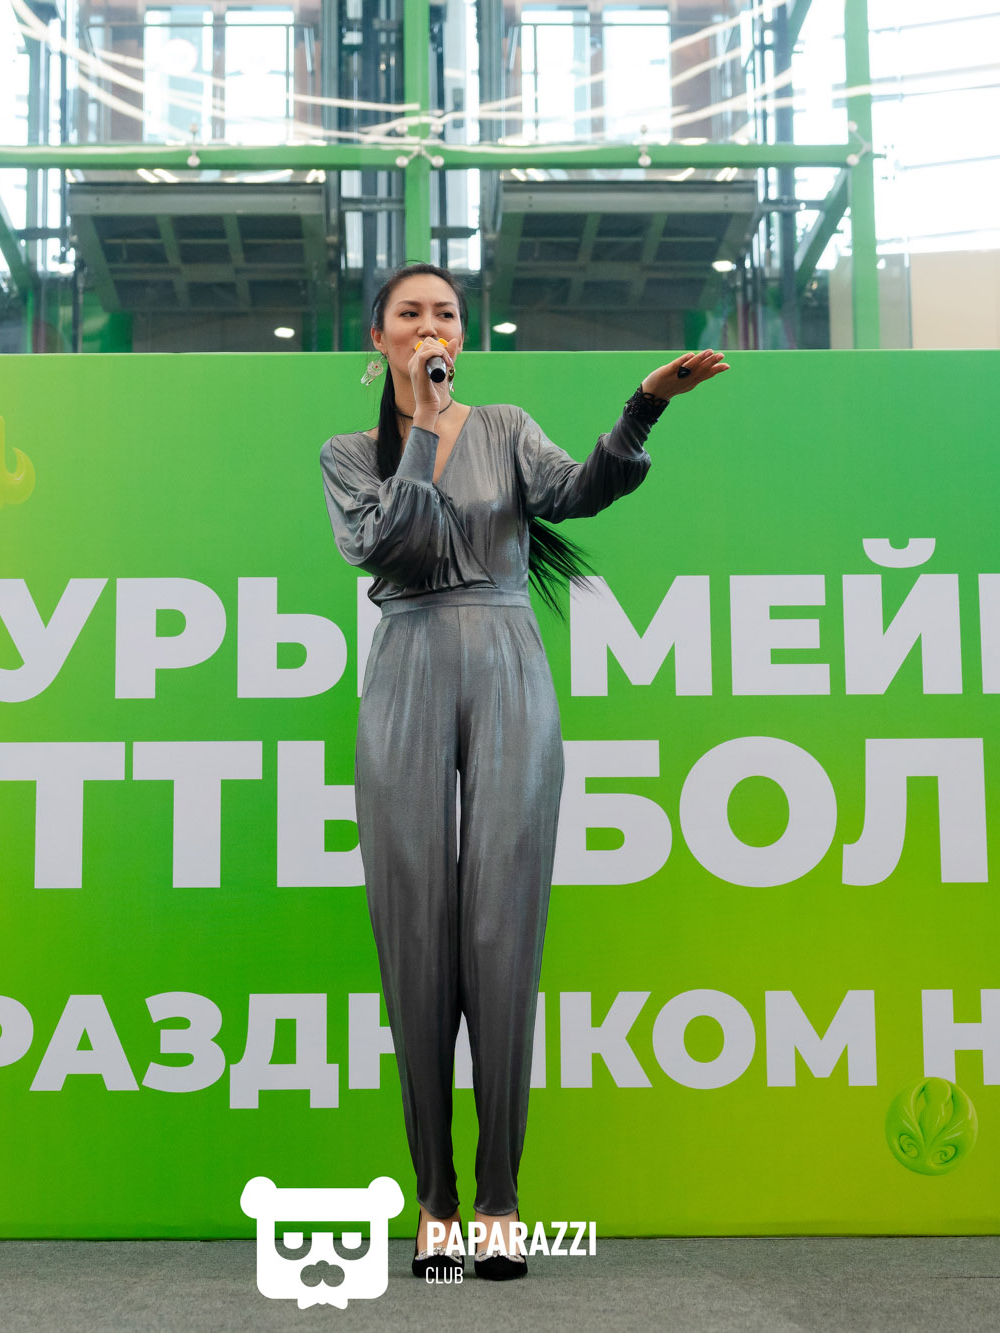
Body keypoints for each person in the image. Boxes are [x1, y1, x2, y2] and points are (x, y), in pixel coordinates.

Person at [318, 263, 727, 1282]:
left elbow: (580, 492)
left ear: (461, 335)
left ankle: (499, 1201)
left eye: (445, 315)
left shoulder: (504, 428)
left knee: (502, 934)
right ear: (379, 338)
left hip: (507, 664)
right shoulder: (349, 454)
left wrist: (644, 408)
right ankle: (436, 1203)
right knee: (415, 938)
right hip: (407, 667)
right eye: (410, 315)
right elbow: (384, 545)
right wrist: (421, 424)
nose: (430, 328)